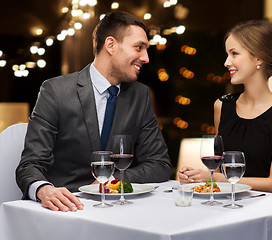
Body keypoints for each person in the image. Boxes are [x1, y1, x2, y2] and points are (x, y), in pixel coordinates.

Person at [16, 11, 172, 212]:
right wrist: (44, 190)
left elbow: (159, 164)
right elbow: (30, 165)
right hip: (66, 209)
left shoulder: (140, 95)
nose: (146, 58)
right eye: (139, 48)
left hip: (121, 209)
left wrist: (112, 182)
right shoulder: (56, 91)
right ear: (111, 45)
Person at [178, 20, 272, 194]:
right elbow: (219, 170)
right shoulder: (222, 106)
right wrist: (199, 178)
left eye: (234, 54)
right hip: (230, 203)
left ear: (259, 57)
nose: (226, 62)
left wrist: (216, 179)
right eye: (227, 54)